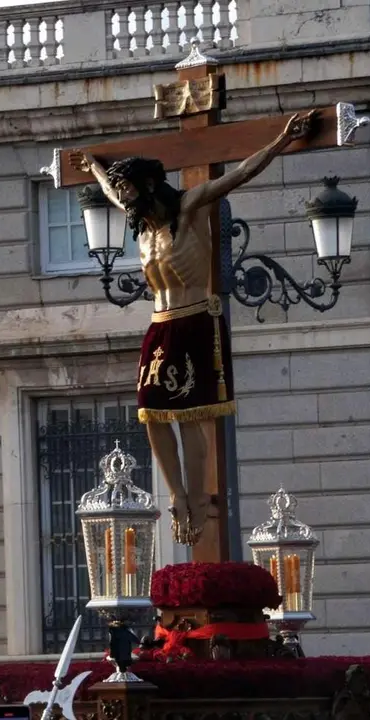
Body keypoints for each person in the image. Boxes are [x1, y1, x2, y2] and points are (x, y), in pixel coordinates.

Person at [70, 110, 317, 545]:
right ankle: (176, 494)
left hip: (194, 318)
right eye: (121, 190)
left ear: (149, 185)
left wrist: (280, 141)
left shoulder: (188, 207)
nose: (123, 198)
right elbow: (109, 190)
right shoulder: (142, 228)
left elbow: (239, 173)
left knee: (190, 415)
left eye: (130, 189)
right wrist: (93, 167)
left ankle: (199, 499)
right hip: (159, 324)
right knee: (150, 411)